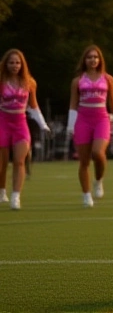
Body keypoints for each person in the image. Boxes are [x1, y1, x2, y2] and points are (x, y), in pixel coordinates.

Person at [69, 45, 113, 206]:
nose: (93, 60)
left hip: (101, 119)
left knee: (98, 152)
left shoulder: (108, 79)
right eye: (89, 57)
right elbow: (73, 104)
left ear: (100, 60)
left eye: (95, 57)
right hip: (83, 119)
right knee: (83, 161)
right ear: (85, 60)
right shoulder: (77, 81)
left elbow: (112, 101)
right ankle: (86, 194)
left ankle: (98, 180)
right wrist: (70, 125)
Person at [1, 50, 50, 209]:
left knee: (19, 161)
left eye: (17, 62)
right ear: (6, 64)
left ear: (22, 65)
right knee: (2, 163)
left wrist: (43, 125)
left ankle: (16, 196)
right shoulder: (1, 81)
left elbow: (33, 106)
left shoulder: (29, 82)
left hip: (21, 124)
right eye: (11, 62)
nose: (14, 65)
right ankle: (2, 191)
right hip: (3, 122)